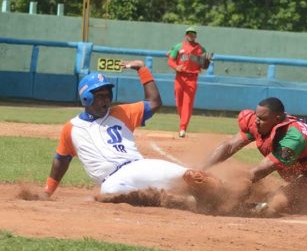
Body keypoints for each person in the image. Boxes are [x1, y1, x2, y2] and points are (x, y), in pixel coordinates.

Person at [39, 60, 208, 210]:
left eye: (107, 95)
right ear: (86, 98)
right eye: (100, 96)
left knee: (191, 176)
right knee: (110, 192)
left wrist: (142, 69)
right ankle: (178, 201)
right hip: (111, 180)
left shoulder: (121, 112)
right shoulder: (72, 128)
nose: (106, 100)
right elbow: (61, 160)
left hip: (140, 167)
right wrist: (48, 191)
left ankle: (226, 196)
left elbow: (154, 102)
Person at [167, 26, 212, 138]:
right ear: (185, 35)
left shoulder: (200, 49)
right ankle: (183, 121)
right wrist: (176, 67)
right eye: (189, 33)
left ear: (195, 36)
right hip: (180, 77)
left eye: (193, 34)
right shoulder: (179, 46)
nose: (191, 35)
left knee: (187, 103)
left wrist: (207, 61)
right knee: (179, 103)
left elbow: (205, 64)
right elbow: (170, 60)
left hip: (192, 77)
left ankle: (183, 128)